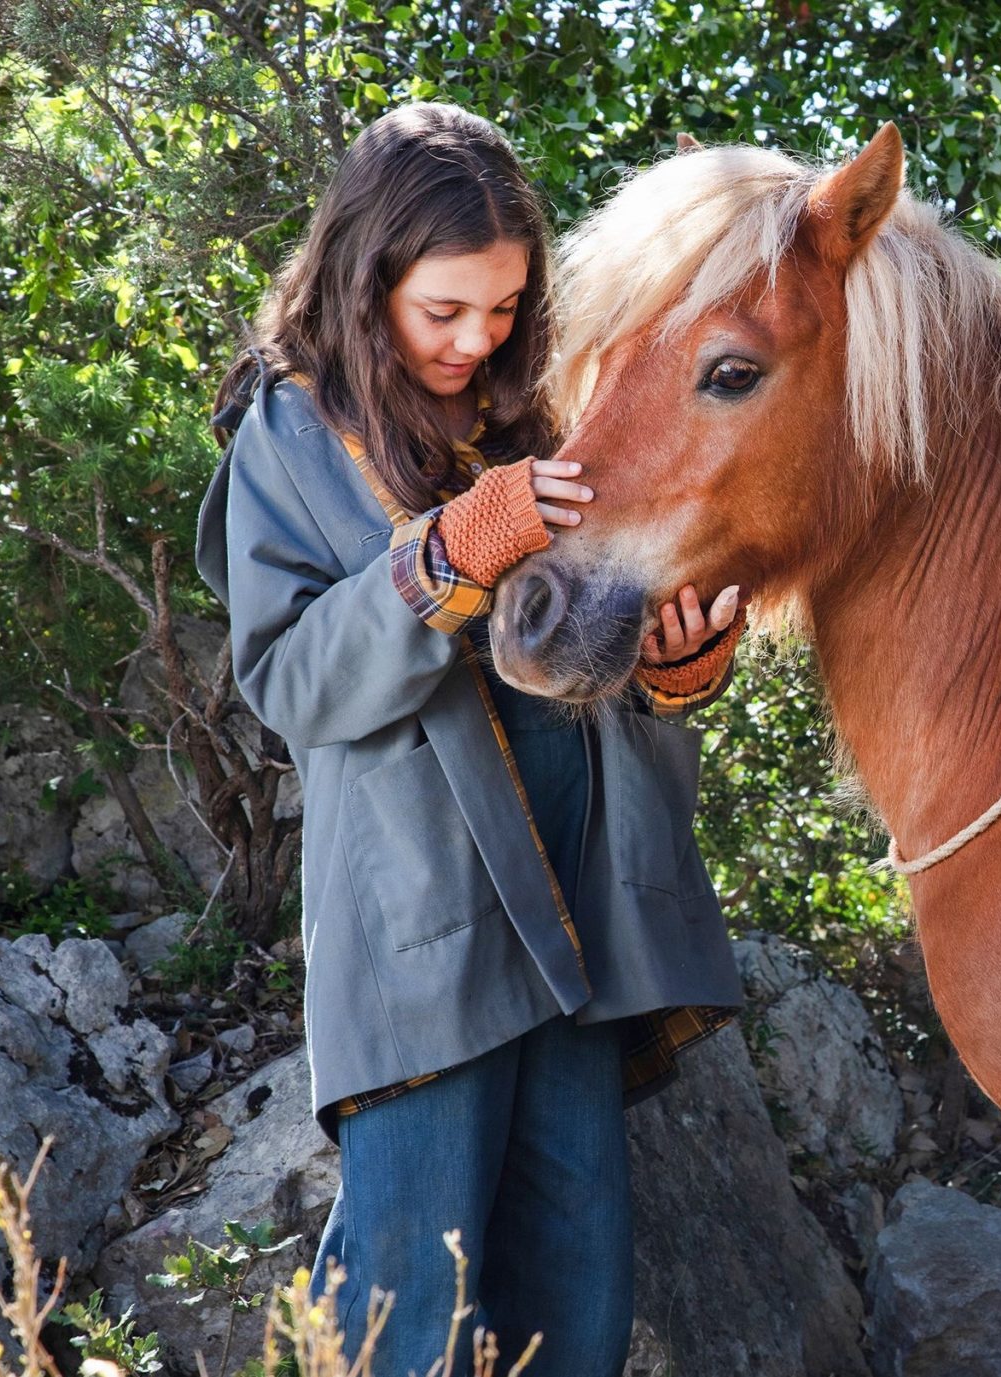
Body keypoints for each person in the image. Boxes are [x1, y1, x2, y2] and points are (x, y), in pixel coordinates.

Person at [194, 102, 746, 1374]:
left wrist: (670, 670)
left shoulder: (552, 410)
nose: (474, 339)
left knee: (576, 1308)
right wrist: (447, 555)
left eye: (500, 308)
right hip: (420, 940)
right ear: (363, 272)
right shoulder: (292, 433)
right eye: (442, 310)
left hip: (579, 925)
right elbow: (291, 683)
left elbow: (602, 649)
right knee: (406, 1308)